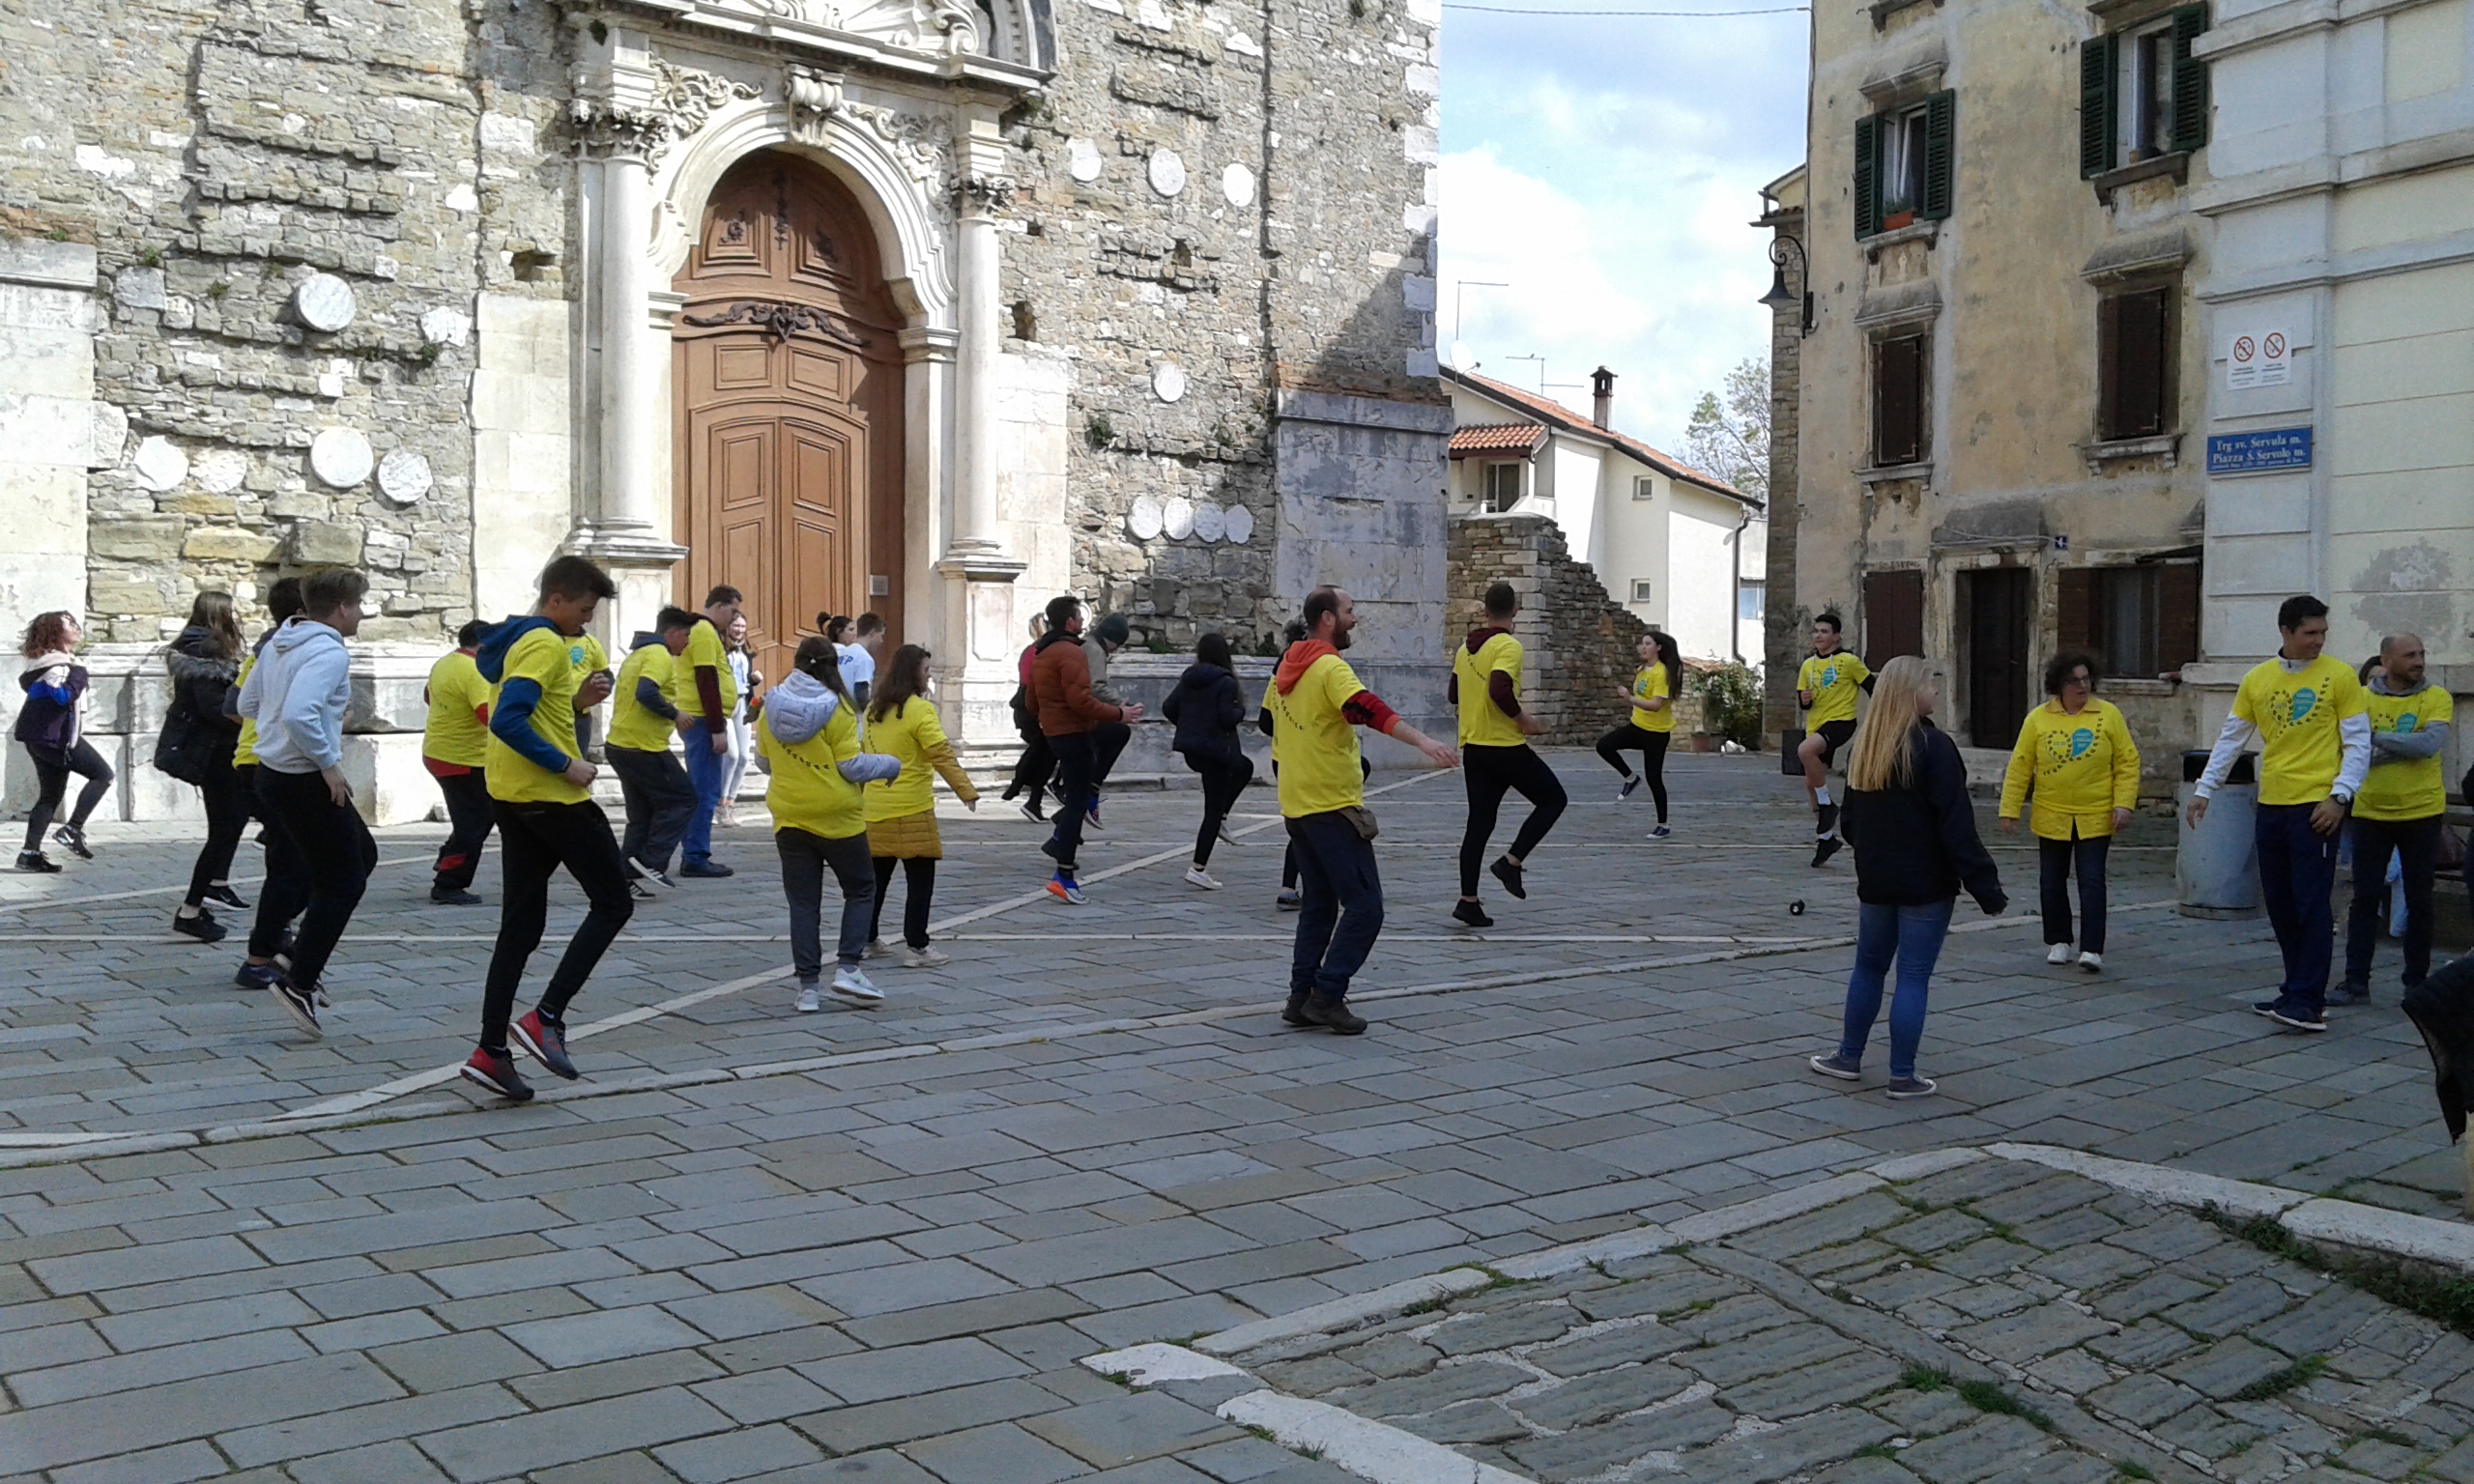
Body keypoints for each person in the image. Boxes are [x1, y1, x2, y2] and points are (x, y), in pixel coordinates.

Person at [459, 556, 632, 1100]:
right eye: (583, 610)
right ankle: (545, 1018)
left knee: (521, 926)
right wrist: (566, 764)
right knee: (614, 902)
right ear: (557, 600)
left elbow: (531, 708)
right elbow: (509, 719)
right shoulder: (544, 642)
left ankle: (491, 1050)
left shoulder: (522, 640)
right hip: (551, 796)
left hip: (511, 796)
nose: (585, 622)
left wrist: (575, 702)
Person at [1807, 656, 2005, 1098]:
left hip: (1876, 880)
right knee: (1913, 976)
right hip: (1926, 883)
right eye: (1930, 685)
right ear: (1910, 695)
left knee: (1868, 967)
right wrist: (1986, 887)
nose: (1935, 692)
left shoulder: (1866, 747)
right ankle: (1902, 1074)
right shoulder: (1934, 748)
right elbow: (1956, 824)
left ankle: (1848, 1055)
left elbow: (1852, 824)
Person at [1268, 586, 1459, 1034]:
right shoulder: (1329, 667)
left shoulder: (1284, 669)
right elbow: (1366, 708)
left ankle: (1301, 996)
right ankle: (1328, 994)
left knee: (1318, 905)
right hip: (1332, 804)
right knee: (1365, 907)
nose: (1356, 619)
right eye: (1349, 612)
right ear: (1328, 619)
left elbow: (1269, 723)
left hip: (1296, 803)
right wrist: (1425, 741)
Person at [2188, 593, 2372, 1032]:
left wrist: (2340, 796)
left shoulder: (2341, 677)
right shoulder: (2258, 679)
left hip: (2317, 805)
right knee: (2282, 904)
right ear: (2285, 633)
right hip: (2271, 804)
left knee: (2311, 903)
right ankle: (2294, 988)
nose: (2318, 642)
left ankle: (2309, 1000)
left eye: (2323, 633)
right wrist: (2204, 790)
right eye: (2310, 633)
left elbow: (2359, 744)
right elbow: (2232, 738)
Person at [238, 568, 379, 1038]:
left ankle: (292, 952)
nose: (360, 614)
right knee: (344, 883)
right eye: (358, 605)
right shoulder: (328, 651)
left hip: (273, 773)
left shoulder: (283, 641)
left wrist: (316, 716)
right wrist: (327, 760)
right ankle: (299, 981)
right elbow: (299, 713)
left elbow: (248, 705)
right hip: (303, 777)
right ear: (341, 608)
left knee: (363, 855)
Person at [763, 636, 901, 1010]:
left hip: (789, 814)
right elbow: (851, 766)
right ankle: (849, 968)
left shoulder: (771, 704)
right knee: (860, 889)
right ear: (832, 666)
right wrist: (890, 764)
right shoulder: (837, 708)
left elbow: (763, 762)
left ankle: (808, 989)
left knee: (803, 903)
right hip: (838, 815)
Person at [1998, 652, 2140, 972]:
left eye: (2086, 679)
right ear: (2059, 684)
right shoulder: (2038, 719)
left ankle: (2092, 948)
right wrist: (2010, 808)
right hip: (2051, 813)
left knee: (2091, 880)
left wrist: (2123, 803)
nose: (2082, 686)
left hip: (2096, 813)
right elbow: (2020, 765)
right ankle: (2058, 941)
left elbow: (2127, 762)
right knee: (2051, 881)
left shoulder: (2109, 715)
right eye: (2074, 680)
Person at [2338, 631, 2453, 1006]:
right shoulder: (2361, 699)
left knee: (2420, 900)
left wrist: (2374, 738)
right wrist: (2391, 745)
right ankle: (2356, 982)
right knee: (2365, 898)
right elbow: (2350, 752)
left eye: (2421, 653)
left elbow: (2427, 745)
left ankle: (2416, 982)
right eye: (2409, 655)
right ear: (2386, 662)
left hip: (2421, 812)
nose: (2418, 661)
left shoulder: (2436, 697)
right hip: (2370, 812)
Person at [1449, 582, 1567, 928]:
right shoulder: (1509, 646)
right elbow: (1499, 687)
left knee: (1479, 825)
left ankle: (1468, 901)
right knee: (1553, 799)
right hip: (1504, 746)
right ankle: (1511, 862)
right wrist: (1523, 720)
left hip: (1474, 748)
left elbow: (1455, 694)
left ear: (1485, 611)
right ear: (1515, 611)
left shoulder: (1464, 650)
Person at [864, 643, 978, 966]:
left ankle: (866, 938)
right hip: (912, 806)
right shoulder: (919, 710)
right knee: (920, 881)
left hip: (875, 807)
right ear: (913, 673)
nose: (929, 677)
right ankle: (917, 947)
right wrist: (966, 791)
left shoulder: (874, 711)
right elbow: (940, 753)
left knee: (875, 881)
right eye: (926, 670)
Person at [1029, 595, 1143, 902]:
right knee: (1077, 803)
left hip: (1055, 732)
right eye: (1079, 617)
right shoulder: (1072, 652)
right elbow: (1082, 700)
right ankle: (1064, 876)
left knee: (1078, 799)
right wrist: (1121, 713)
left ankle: (1063, 847)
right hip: (1073, 732)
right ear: (1070, 622)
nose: (1082, 623)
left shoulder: (1042, 651)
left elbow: (1031, 700)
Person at [231, 578, 305, 991]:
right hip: (273, 761)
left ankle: (275, 941)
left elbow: (238, 705)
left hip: (258, 759)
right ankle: (264, 950)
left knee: (292, 861)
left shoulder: (271, 648)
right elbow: (238, 706)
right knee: (318, 865)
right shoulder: (284, 649)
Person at [164, 592, 248, 940]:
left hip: (219, 750)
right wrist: (250, 719)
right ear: (219, 614)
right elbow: (215, 710)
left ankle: (214, 885)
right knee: (227, 827)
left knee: (231, 822)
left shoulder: (200, 648)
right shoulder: (205, 653)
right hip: (214, 752)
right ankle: (191, 909)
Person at [605, 607, 700, 895]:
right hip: (642, 747)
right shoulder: (658, 655)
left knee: (642, 813)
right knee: (682, 798)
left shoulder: (639, 654)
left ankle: (625, 878)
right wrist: (675, 714)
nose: (687, 642)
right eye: (685, 635)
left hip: (621, 744)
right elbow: (646, 692)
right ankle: (652, 860)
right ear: (670, 633)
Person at [14, 613, 110, 872]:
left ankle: (29, 853)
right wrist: (77, 675)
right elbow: (63, 697)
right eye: (71, 625)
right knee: (103, 775)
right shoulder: (62, 666)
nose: (78, 629)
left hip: (39, 739)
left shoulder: (43, 664)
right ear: (57, 633)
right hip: (58, 739)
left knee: (50, 796)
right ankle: (73, 829)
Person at [1163, 632, 1252, 890]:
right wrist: (1241, 711)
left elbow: (1169, 707)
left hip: (1195, 751)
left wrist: (1190, 727)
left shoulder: (1189, 678)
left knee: (1244, 767)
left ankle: (1222, 816)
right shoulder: (1225, 682)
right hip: (1216, 751)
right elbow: (1227, 717)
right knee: (1211, 811)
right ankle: (1198, 867)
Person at [421, 619, 497, 906]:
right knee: (474, 822)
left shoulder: (445, 662)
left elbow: (428, 696)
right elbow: (488, 716)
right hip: (462, 758)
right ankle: (449, 883)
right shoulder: (474, 670)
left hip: (441, 751)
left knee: (473, 817)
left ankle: (448, 861)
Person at [676, 585, 744, 878]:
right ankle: (695, 855)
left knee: (704, 787)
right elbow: (706, 679)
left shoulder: (704, 631)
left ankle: (694, 850)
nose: (734, 617)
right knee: (705, 790)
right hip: (703, 721)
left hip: (703, 719)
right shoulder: (703, 632)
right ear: (718, 605)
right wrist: (718, 728)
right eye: (732, 610)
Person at [1796, 614, 1873, 868]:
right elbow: (1804, 702)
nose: (1818, 635)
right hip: (1816, 725)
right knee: (1811, 783)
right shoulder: (1807, 666)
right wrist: (1804, 700)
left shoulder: (1848, 661)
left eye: (1824, 631)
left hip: (1841, 721)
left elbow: (1873, 687)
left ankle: (1828, 804)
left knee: (1804, 751)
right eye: (1816, 631)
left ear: (1836, 636)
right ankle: (1826, 837)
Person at [1596, 631, 1681, 838]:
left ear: (1658, 648)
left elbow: (1655, 705)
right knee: (1604, 745)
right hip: (1637, 727)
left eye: (1648, 644)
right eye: (1642, 643)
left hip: (1656, 733)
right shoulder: (1642, 670)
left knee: (1654, 778)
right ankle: (1630, 778)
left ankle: (1663, 824)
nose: (1643, 648)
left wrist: (1630, 698)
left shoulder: (1661, 673)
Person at [1079, 614, 1136, 832]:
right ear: (1111, 639)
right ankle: (1093, 787)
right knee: (1119, 732)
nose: (1116, 650)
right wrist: (1119, 705)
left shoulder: (1085, 645)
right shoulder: (1094, 650)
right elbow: (1096, 687)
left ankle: (1062, 840)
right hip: (1080, 717)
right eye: (1117, 645)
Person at [1001, 613, 1054, 823]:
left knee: (1043, 752)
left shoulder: (1029, 651)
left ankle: (1031, 797)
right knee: (1042, 750)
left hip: (1026, 707)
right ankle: (1023, 785)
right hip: (1034, 707)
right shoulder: (1042, 652)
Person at [718, 612, 761, 828]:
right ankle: (720, 803)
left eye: (743, 627)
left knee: (744, 756)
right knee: (731, 755)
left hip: (743, 702)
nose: (739, 630)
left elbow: (745, 678)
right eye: (736, 626)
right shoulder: (719, 649)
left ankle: (730, 801)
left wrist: (753, 679)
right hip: (726, 705)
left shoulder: (746, 651)